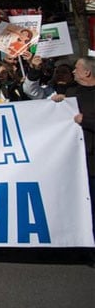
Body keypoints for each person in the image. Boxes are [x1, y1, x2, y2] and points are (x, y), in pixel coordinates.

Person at [62, 57, 95, 240]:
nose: (73, 72)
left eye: (76, 68)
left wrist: (86, 121)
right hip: (77, 158)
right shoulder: (72, 93)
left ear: (87, 72)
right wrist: (58, 104)